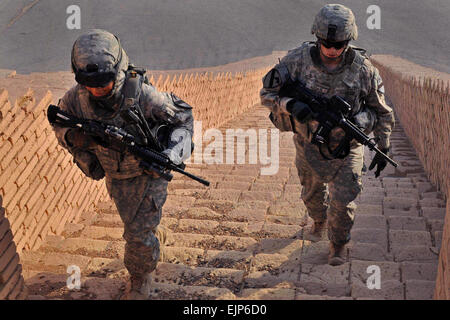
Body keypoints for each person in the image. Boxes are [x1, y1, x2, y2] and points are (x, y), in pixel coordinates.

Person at [50, 29, 194, 298]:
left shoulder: (143, 96)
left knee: (135, 234)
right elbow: (58, 121)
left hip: (149, 171)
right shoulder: (74, 99)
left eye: (103, 81)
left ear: (118, 67)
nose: (96, 89)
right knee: (134, 223)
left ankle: (141, 277)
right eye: (88, 82)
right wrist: (76, 137)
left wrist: (171, 155)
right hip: (116, 178)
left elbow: (184, 119)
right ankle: (153, 236)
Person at [260, 4, 394, 266]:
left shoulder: (364, 70)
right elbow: (267, 94)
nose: (332, 50)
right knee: (311, 195)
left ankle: (338, 244)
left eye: (339, 44)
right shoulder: (296, 61)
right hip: (308, 145)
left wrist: (383, 144)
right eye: (326, 43)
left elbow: (382, 111)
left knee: (344, 200)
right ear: (317, 38)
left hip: (348, 149)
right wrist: (290, 105)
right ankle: (318, 220)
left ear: (349, 40)